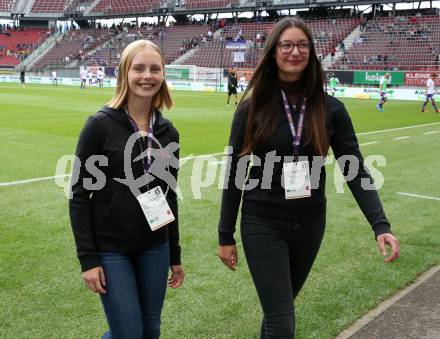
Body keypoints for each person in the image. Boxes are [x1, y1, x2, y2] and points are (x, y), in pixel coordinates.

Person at [217, 18, 400, 338]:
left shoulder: (331, 109)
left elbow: (354, 168)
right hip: (263, 222)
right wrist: (225, 234)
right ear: (273, 52)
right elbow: (235, 173)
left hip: (310, 223)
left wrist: (380, 225)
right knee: (282, 319)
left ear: (312, 53)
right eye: (285, 45)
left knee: (280, 312)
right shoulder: (252, 108)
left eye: (302, 45)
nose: (294, 51)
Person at [69, 40, 184, 339]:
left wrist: (174, 255)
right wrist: (88, 260)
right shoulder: (99, 125)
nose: (147, 75)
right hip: (111, 249)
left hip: (155, 247)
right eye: (139, 68)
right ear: (124, 73)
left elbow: (168, 195)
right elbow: (79, 195)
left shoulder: (167, 132)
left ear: (162, 75)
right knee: (128, 333)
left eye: (155, 69)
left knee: (150, 330)